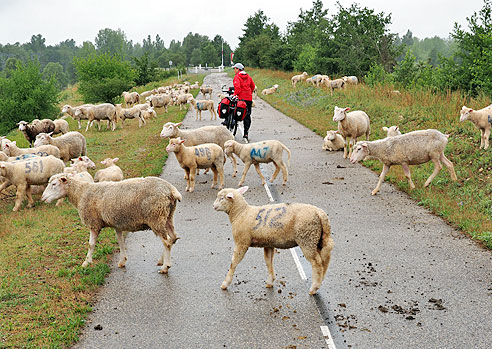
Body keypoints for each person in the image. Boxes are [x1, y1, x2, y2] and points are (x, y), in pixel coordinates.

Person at [231, 62, 255, 142]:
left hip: (241, 99)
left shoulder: (237, 77)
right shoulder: (248, 77)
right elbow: (253, 86)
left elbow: (237, 88)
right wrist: (249, 93)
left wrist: (234, 94)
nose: (234, 70)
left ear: (238, 69)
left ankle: (232, 126)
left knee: (236, 112)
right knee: (247, 115)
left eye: (234, 68)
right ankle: (246, 133)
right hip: (248, 99)